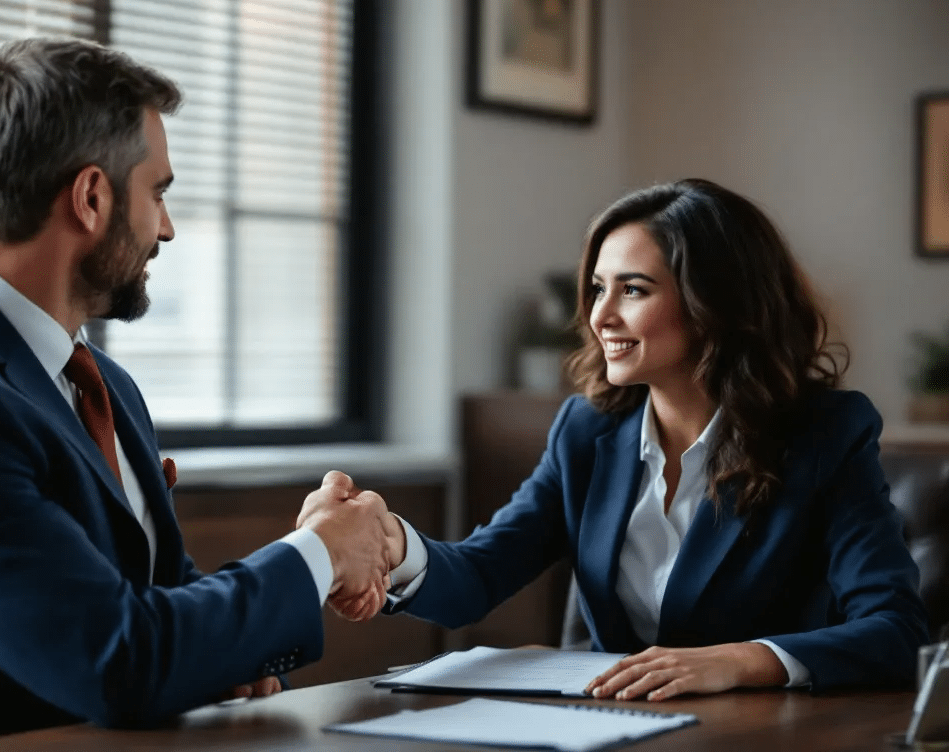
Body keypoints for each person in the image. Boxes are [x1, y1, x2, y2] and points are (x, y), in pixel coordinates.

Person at [0, 38, 395, 751]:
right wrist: (317, 554)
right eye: (157, 193)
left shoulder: (101, 385)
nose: (166, 227)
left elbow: (162, 608)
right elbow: (121, 662)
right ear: (92, 197)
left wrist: (226, 656)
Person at [340, 178, 929, 700]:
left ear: (715, 305)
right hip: (611, 727)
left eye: (634, 290)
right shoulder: (585, 431)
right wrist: (394, 545)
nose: (600, 316)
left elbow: (896, 631)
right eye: (598, 289)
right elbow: (479, 575)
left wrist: (738, 661)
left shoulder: (826, 434)